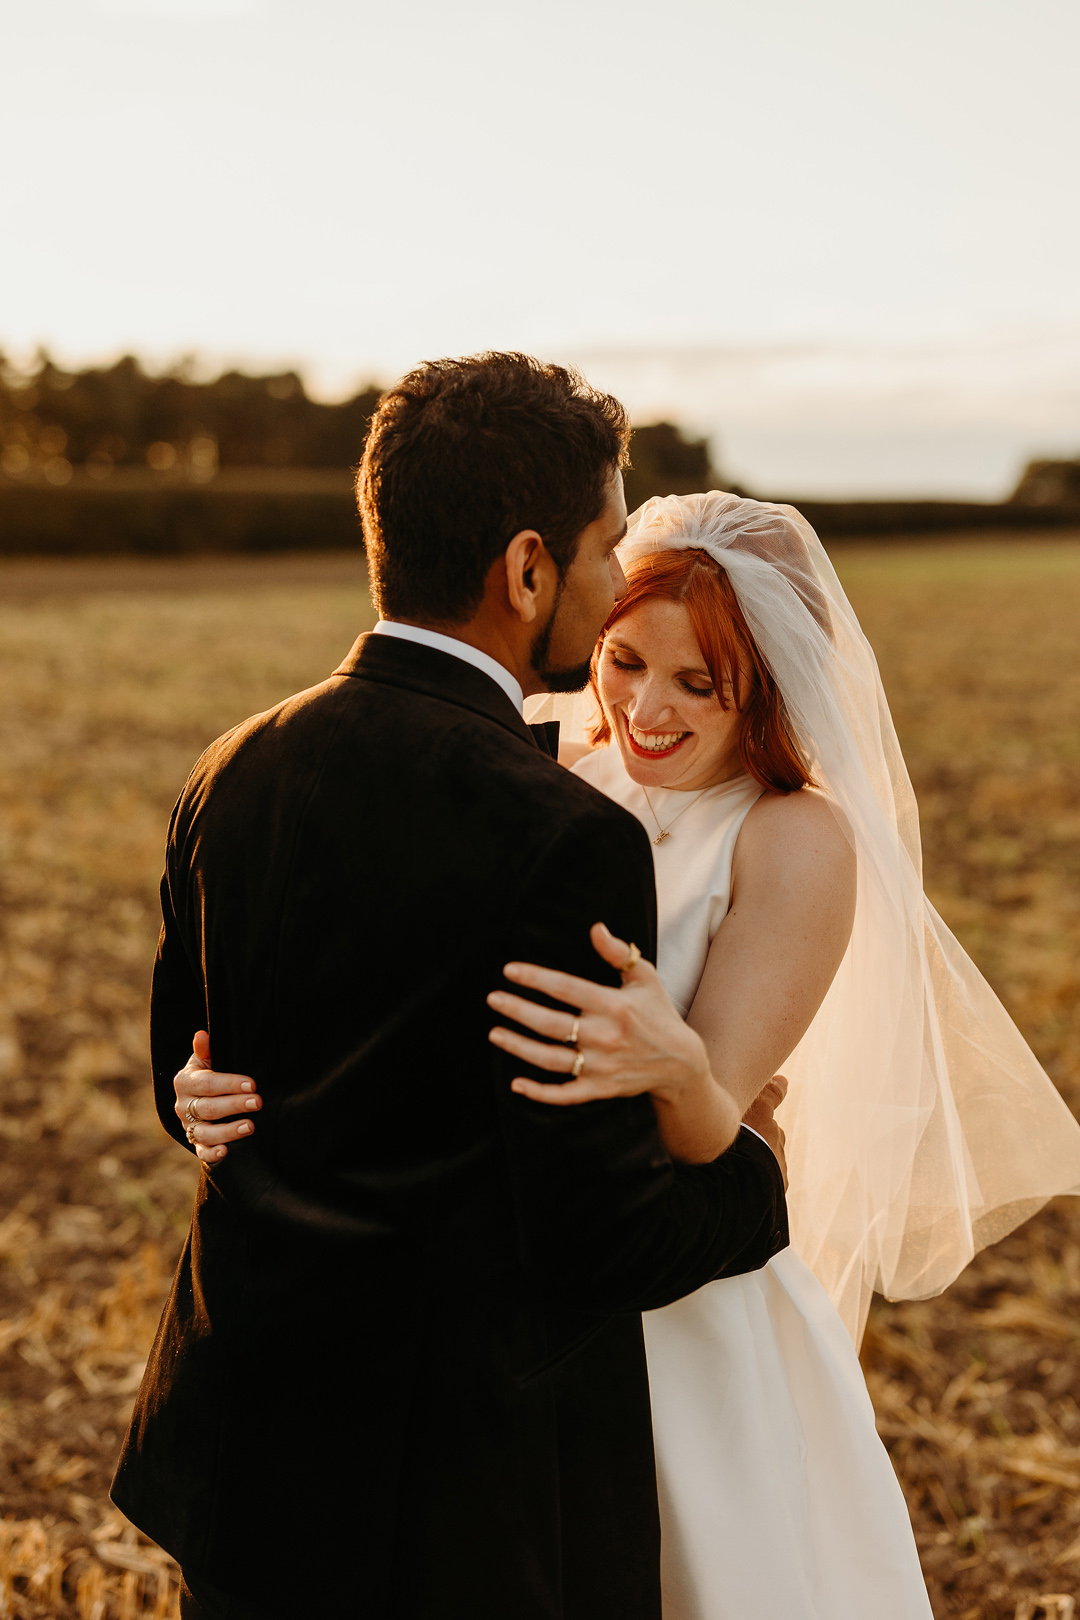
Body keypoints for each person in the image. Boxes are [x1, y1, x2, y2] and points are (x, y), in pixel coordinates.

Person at [183, 489, 1080, 1617]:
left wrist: (679, 1064)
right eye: (623, 662)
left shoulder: (792, 838)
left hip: (680, 1299)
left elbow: (721, 1130)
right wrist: (215, 1080)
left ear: (769, 686)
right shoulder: (542, 768)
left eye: (698, 683)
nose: (647, 709)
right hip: (510, 1294)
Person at [113, 358, 787, 1620]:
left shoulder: (233, 766)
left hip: (245, 1454)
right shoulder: (567, 838)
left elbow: (191, 1077)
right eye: (602, 547)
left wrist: (192, 1103)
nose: (611, 581)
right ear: (526, 568)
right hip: (455, 1504)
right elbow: (595, 1236)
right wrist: (755, 1170)